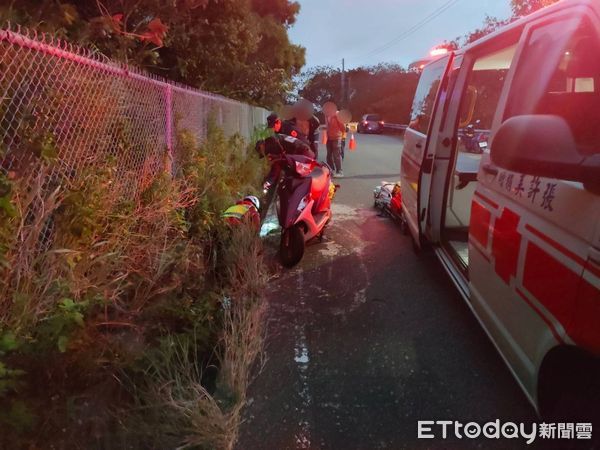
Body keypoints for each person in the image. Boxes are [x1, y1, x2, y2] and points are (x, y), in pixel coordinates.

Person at [325, 111, 345, 177]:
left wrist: (341, 134)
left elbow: (342, 126)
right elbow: (327, 126)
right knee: (329, 155)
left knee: (336, 155)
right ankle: (331, 170)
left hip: (336, 137)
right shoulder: (327, 115)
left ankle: (339, 171)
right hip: (329, 137)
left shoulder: (337, 114)